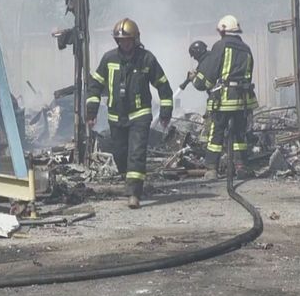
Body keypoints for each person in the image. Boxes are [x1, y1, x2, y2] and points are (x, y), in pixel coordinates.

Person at [86, 18, 173, 208]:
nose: (124, 44)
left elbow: (163, 85)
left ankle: (134, 194)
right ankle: (130, 181)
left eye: (127, 40)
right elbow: (95, 86)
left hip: (140, 115)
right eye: (121, 40)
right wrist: (91, 112)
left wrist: (166, 112)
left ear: (135, 39)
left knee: (136, 153)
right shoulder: (109, 59)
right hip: (116, 117)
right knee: (120, 154)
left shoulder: (146, 59)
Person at [190, 15, 258, 179]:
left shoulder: (220, 46)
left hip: (224, 100)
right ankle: (241, 167)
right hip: (243, 101)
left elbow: (208, 77)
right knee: (239, 134)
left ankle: (212, 169)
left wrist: (196, 80)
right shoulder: (246, 49)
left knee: (217, 132)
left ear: (222, 31)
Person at [185, 40, 215, 145]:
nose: (194, 58)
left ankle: (205, 147)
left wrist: (193, 79)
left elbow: (200, 85)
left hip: (216, 98)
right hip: (220, 96)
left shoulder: (205, 63)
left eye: (194, 55)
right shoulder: (211, 58)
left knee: (209, 124)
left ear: (198, 52)